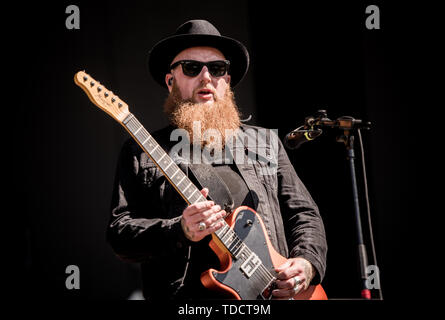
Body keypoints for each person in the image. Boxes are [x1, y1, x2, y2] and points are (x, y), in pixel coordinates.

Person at [107, 19, 327, 300]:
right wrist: (180, 229)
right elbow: (120, 233)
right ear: (170, 80)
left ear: (228, 80)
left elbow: (304, 214)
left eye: (217, 68)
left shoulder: (265, 143)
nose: (206, 77)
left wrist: (307, 265)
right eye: (191, 67)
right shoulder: (141, 150)